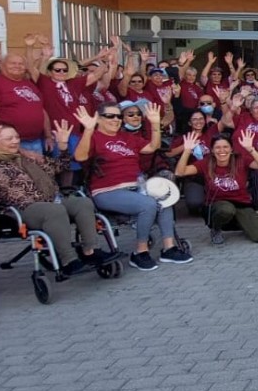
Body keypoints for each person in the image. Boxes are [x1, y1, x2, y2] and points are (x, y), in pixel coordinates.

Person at [0, 122, 120, 276]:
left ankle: (91, 251)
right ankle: (68, 260)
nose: (15, 141)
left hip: (47, 202)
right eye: (9, 138)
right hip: (13, 211)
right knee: (55, 210)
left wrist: (62, 146)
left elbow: (60, 167)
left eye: (17, 137)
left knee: (82, 203)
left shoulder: (26, 159)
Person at [74, 103, 193, 271]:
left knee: (165, 198)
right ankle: (140, 252)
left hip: (135, 187)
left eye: (118, 116)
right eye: (110, 116)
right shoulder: (93, 137)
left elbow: (153, 147)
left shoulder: (127, 137)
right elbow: (80, 156)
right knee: (148, 204)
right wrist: (88, 130)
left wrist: (154, 124)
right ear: (98, 119)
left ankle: (169, 248)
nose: (116, 119)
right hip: (108, 190)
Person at [175, 131, 258, 245]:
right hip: (218, 205)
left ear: (231, 149)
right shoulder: (206, 163)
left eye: (226, 147)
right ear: (212, 150)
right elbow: (179, 172)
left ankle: (240, 223)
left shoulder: (240, 159)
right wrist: (186, 151)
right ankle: (216, 228)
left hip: (241, 204)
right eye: (218, 148)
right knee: (226, 209)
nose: (222, 151)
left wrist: (251, 149)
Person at [0, 53, 49, 153]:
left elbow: (41, 110)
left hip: (36, 140)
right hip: (10, 143)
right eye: (13, 63)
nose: (17, 66)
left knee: (36, 168)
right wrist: (0, 138)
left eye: (21, 64)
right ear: (2, 65)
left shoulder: (29, 84)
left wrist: (48, 135)